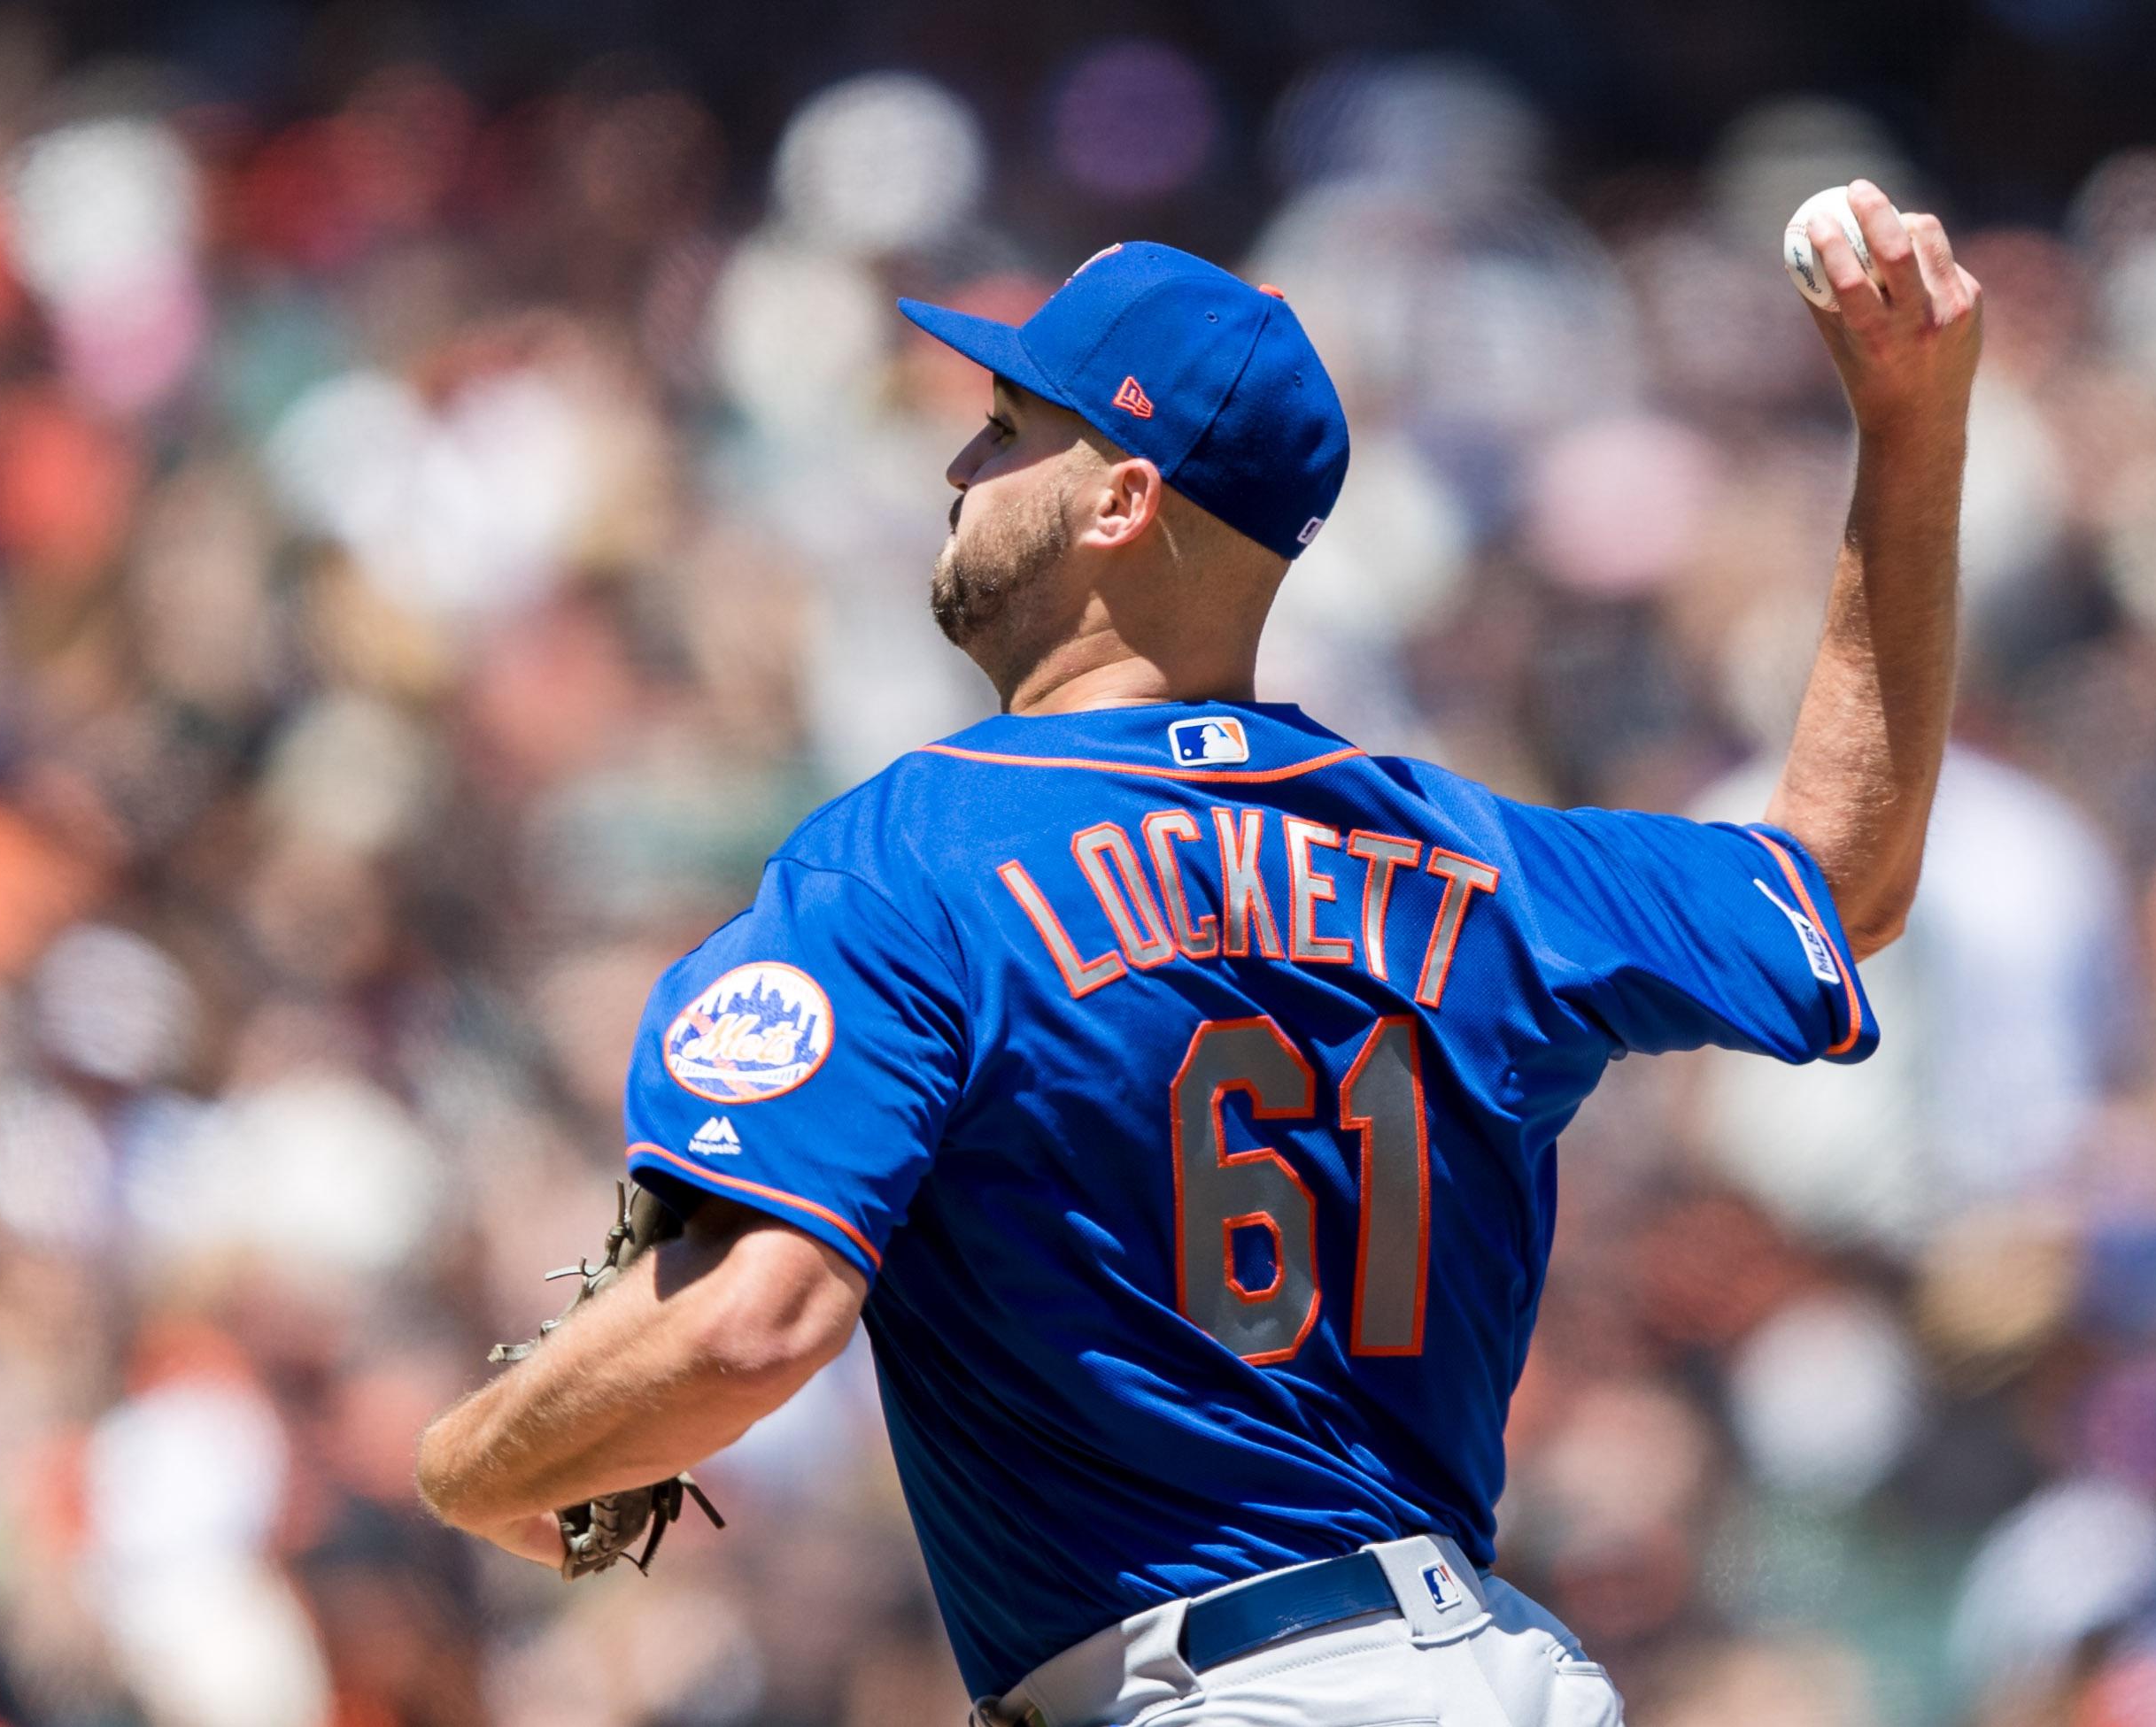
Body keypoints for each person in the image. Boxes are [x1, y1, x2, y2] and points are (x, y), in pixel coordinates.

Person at [416, 182, 1981, 1725]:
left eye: (1011, 430)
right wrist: (1911, 430)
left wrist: (477, 1461)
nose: (961, 464)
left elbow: (753, 1318)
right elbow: (1839, 880)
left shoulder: (909, 860)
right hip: (1492, 1674)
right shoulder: (1474, 857)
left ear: (1120, 501)